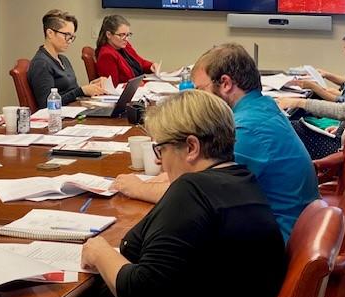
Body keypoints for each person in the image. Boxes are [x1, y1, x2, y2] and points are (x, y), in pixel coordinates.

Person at [81, 90, 285, 297]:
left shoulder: (192, 190)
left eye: (161, 149)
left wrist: (100, 252)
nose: (159, 162)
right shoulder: (244, 180)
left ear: (191, 147)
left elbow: (142, 291)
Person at [112, 43, 318, 241]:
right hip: (286, 228)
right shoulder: (262, 108)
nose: (197, 98)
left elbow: (198, 197)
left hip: (276, 245)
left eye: (200, 89)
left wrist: (138, 188)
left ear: (226, 84)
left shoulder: (244, 129)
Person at [28, 9, 105, 109]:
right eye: (66, 35)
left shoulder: (63, 59)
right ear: (50, 33)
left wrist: (91, 87)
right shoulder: (41, 63)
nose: (69, 41)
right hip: (58, 118)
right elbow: (46, 105)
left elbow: (72, 91)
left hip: (73, 111)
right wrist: (82, 91)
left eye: (72, 37)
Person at [95, 15, 159, 85]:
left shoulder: (125, 46)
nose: (126, 39)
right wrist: (137, 85)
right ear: (109, 34)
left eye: (128, 35)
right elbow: (113, 87)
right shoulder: (106, 55)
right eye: (122, 35)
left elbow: (139, 62)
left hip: (140, 88)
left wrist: (151, 66)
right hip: (129, 92)